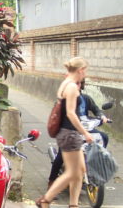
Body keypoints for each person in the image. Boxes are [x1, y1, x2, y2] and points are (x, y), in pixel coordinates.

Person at [37, 57, 92, 208]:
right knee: (72, 173)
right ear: (80, 70)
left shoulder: (65, 83)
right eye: (85, 71)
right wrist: (85, 132)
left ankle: (73, 204)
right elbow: (71, 113)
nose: (85, 74)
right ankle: (45, 200)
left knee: (80, 171)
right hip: (70, 134)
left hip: (66, 133)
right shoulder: (72, 87)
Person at [47, 79, 109, 187]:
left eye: (79, 83)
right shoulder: (64, 100)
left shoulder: (86, 98)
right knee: (61, 156)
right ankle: (51, 182)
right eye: (75, 83)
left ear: (81, 85)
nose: (77, 85)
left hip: (85, 128)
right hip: (69, 130)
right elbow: (58, 115)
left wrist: (102, 116)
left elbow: (96, 109)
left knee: (104, 137)